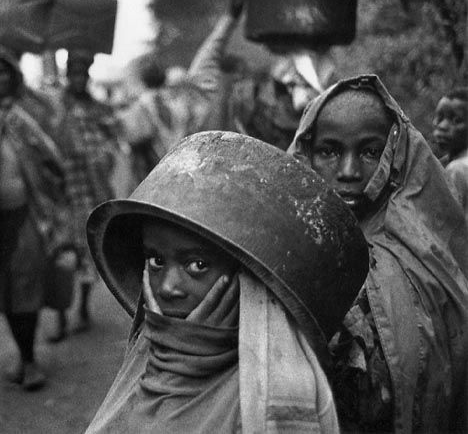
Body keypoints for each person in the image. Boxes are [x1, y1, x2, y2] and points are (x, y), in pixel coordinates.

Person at [84, 131, 370, 433]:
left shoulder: (278, 395)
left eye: (198, 265)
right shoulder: (147, 358)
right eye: (155, 260)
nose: (167, 287)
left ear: (249, 281)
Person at [289, 74, 468, 432]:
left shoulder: (426, 256)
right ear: (306, 152)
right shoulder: (283, 249)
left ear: (396, 156)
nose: (349, 171)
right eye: (329, 151)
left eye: (371, 152)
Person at [0, 44, 76, 390]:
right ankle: (24, 354)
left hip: (30, 215)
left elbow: (54, 155)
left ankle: (28, 360)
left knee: (26, 285)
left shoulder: (32, 109)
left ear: (14, 74)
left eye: (2, 72)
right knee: (5, 292)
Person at [188, 0, 335, 151]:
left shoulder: (317, 83)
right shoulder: (230, 89)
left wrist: (230, 17)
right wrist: (229, 18)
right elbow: (205, 62)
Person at [42, 49, 120, 339]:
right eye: (72, 74)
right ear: (66, 76)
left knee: (89, 251)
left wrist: (103, 154)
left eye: (82, 74)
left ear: (87, 77)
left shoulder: (98, 108)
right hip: (62, 190)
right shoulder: (55, 106)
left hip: (92, 190)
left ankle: (84, 308)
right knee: (61, 254)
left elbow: (114, 139)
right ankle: (61, 317)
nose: (77, 79)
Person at [432, 88, 468, 222]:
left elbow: (443, 224)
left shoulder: (457, 169)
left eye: (456, 120)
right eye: (439, 118)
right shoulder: (446, 164)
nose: (442, 126)